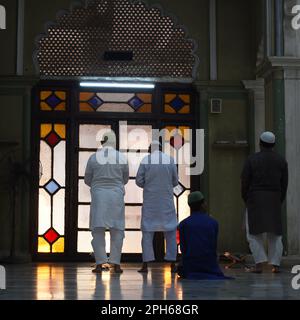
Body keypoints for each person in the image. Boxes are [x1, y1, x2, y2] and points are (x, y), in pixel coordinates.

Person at [241, 131, 288, 273]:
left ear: (260, 144)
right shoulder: (281, 160)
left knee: (254, 233)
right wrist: (279, 200)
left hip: (255, 199)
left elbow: (245, 182)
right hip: (274, 199)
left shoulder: (251, 159)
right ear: (274, 145)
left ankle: (259, 264)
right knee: (276, 234)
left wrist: (247, 199)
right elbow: (284, 184)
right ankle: (276, 264)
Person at [84, 131, 129, 274]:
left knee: (97, 230)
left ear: (102, 142)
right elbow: (125, 179)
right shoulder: (121, 157)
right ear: (114, 142)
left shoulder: (93, 158)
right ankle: (116, 264)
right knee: (117, 230)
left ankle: (99, 264)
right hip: (116, 196)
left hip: (99, 196)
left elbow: (87, 179)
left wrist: (98, 185)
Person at [136, 141, 179, 273]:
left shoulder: (146, 160)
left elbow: (139, 181)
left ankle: (145, 264)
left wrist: (149, 186)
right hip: (166, 202)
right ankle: (172, 263)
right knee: (171, 232)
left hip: (151, 202)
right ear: (161, 149)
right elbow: (175, 181)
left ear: (150, 149)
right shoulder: (170, 160)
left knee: (147, 233)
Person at [177, 191, 231, 280]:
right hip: (210, 265)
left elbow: (184, 249)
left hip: (190, 267)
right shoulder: (213, 223)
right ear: (202, 205)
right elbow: (213, 246)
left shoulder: (183, 224)